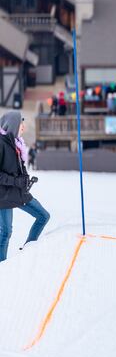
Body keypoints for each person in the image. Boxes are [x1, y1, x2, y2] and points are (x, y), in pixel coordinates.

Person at [0, 112, 50, 261]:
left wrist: (25, 179)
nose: (23, 127)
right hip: (4, 196)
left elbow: (18, 168)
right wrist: (15, 181)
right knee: (6, 233)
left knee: (43, 216)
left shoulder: (17, 144)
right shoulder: (1, 144)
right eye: (21, 124)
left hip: (19, 193)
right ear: (13, 125)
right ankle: (2, 266)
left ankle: (28, 251)